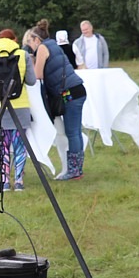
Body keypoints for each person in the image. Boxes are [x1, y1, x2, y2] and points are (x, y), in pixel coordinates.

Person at [29, 19, 87, 180]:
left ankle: (74, 171)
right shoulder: (53, 44)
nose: (30, 45)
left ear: (36, 39)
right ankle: (77, 169)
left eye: (30, 42)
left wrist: (31, 63)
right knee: (75, 132)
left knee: (72, 132)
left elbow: (37, 75)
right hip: (77, 90)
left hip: (70, 93)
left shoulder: (42, 48)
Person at [0, 29, 37, 191]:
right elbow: (31, 81)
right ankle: (19, 181)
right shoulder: (23, 54)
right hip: (20, 105)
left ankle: (5, 181)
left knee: (3, 145)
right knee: (20, 146)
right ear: (14, 39)